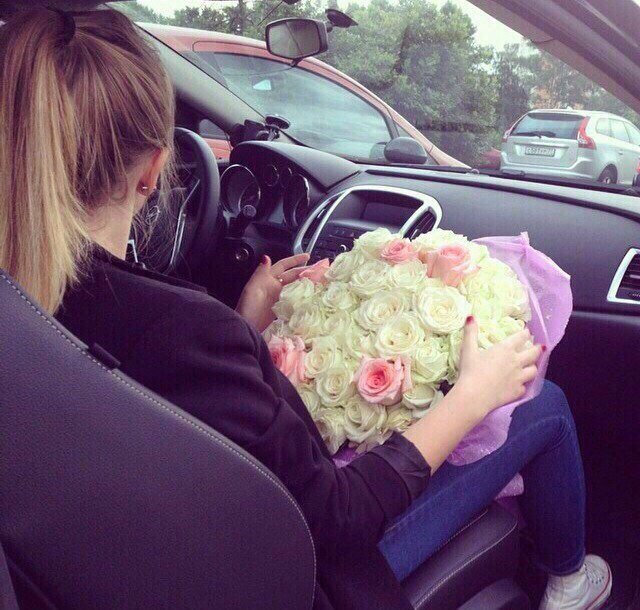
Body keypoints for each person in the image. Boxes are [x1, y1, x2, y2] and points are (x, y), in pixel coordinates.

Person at [0, 8, 611, 610]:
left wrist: (245, 321)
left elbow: (166, 412)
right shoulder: (183, 330)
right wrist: (471, 397)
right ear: (155, 170)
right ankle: (570, 583)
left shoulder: (27, 309)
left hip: (131, 565)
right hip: (305, 577)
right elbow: (339, 516)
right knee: (545, 407)